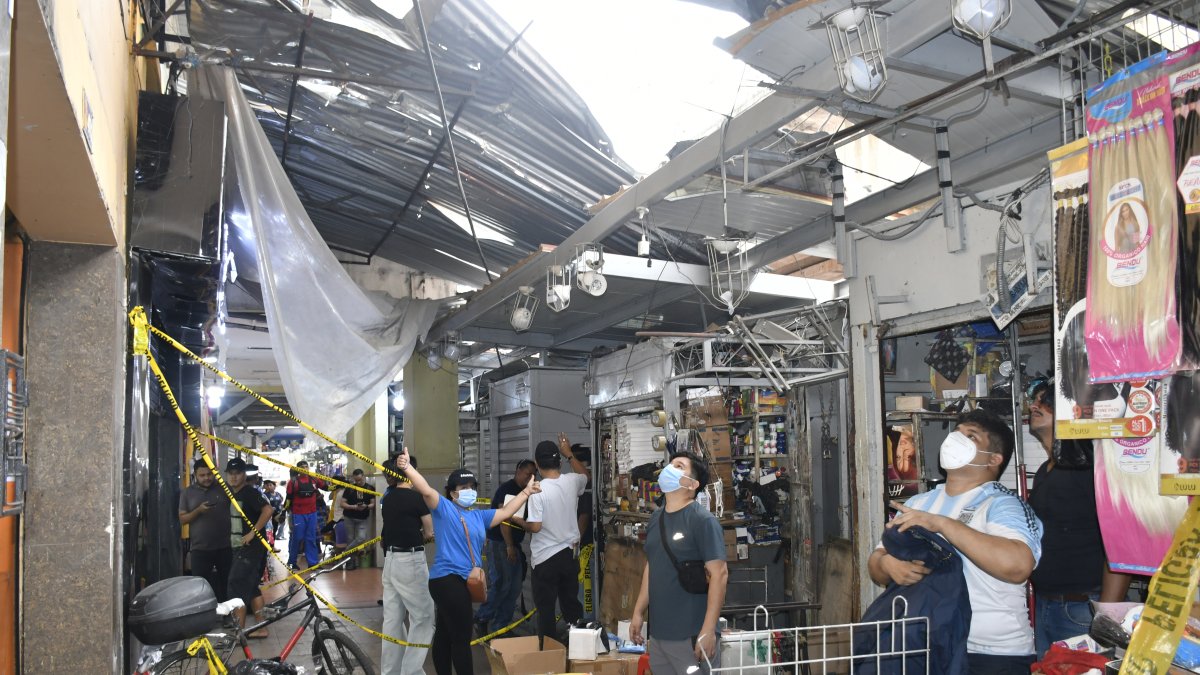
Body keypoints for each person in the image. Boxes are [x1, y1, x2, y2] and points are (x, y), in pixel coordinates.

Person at [869, 409, 1043, 674]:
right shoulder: (919, 503)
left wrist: (942, 524)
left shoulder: (1003, 505)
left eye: (971, 436)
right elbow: (876, 561)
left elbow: (1018, 567)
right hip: (928, 646)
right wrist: (888, 565)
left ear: (993, 459)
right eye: (956, 433)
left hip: (991, 655)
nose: (955, 440)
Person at [396, 446, 540, 675]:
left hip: (462, 580)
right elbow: (425, 489)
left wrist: (526, 492)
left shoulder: (478, 516)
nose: (469, 491)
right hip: (446, 580)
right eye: (463, 488)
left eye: (472, 487)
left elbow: (505, 513)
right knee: (462, 638)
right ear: (452, 493)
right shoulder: (444, 509)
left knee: (445, 633)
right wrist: (408, 468)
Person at [1025, 380, 1129, 656]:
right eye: (1034, 400)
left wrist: (1105, 614)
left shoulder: (1089, 468)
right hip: (1049, 604)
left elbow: (1120, 543)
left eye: (1046, 401)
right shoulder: (1046, 471)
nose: (1035, 406)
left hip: (1083, 607)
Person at [630, 452, 729, 674]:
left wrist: (708, 631)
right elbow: (652, 565)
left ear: (692, 484)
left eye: (679, 466)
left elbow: (719, 574)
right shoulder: (657, 518)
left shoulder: (703, 521)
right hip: (659, 636)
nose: (669, 469)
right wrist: (638, 612)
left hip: (690, 635)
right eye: (670, 464)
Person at [523, 434, 589, 645]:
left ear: (536, 464)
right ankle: (580, 651)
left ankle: (549, 658)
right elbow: (585, 474)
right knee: (572, 606)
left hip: (545, 559)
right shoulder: (571, 481)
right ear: (559, 461)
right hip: (569, 556)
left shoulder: (537, 490)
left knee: (546, 611)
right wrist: (569, 453)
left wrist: (517, 520)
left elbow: (534, 526)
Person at [380, 456, 435, 675]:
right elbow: (429, 532)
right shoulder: (417, 498)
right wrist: (427, 536)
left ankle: (390, 671)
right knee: (423, 617)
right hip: (410, 561)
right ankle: (411, 672)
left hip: (390, 561)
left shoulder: (388, 497)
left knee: (393, 619)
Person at [474, 459, 536, 636]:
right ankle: (482, 618)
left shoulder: (525, 492)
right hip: (500, 544)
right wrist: (509, 546)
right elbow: (504, 521)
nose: (530, 477)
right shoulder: (507, 490)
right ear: (518, 471)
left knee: (514, 587)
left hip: (512, 545)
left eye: (534, 474)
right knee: (502, 583)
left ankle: (501, 627)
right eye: (527, 473)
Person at [224, 457, 273, 638]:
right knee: (252, 588)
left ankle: (239, 632)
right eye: (231, 474)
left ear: (244, 475)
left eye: (238, 474)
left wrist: (253, 532)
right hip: (240, 548)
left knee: (235, 585)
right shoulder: (233, 493)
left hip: (249, 549)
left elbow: (268, 510)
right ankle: (261, 628)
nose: (234, 477)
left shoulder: (249, 492)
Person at [178, 458, 233, 600]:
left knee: (228, 585)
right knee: (200, 588)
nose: (206, 478)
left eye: (209, 474)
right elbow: (183, 520)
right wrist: (198, 511)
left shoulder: (224, 488)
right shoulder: (187, 493)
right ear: (195, 475)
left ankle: (228, 617)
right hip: (200, 549)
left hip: (225, 547)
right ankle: (204, 618)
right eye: (202, 475)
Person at [286, 460, 328, 570]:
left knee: (311, 538)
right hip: (298, 514)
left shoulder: (314, 479)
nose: (305, 469)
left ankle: (312, 563)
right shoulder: (293, 482)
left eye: (306, 467)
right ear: (298, 469)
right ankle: (292, 561)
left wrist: (339, 485)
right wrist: (283, 511)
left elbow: (326, 487)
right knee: (298, 538)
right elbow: (288, 499)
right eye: (302, 467)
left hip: (312, 514)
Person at [340, 468, 377, 570]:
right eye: (356, 480)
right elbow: (342, 503)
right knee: (350, 539)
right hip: (349, 517)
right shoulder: (350, 488)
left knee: (361, 538)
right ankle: (350, 562)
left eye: (360, 480)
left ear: (364, 477)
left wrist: (366, 506)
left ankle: (345, 553)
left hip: (362, 518)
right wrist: (353, 507)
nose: (358, 482)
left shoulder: (370, 488)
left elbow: (373, 503)